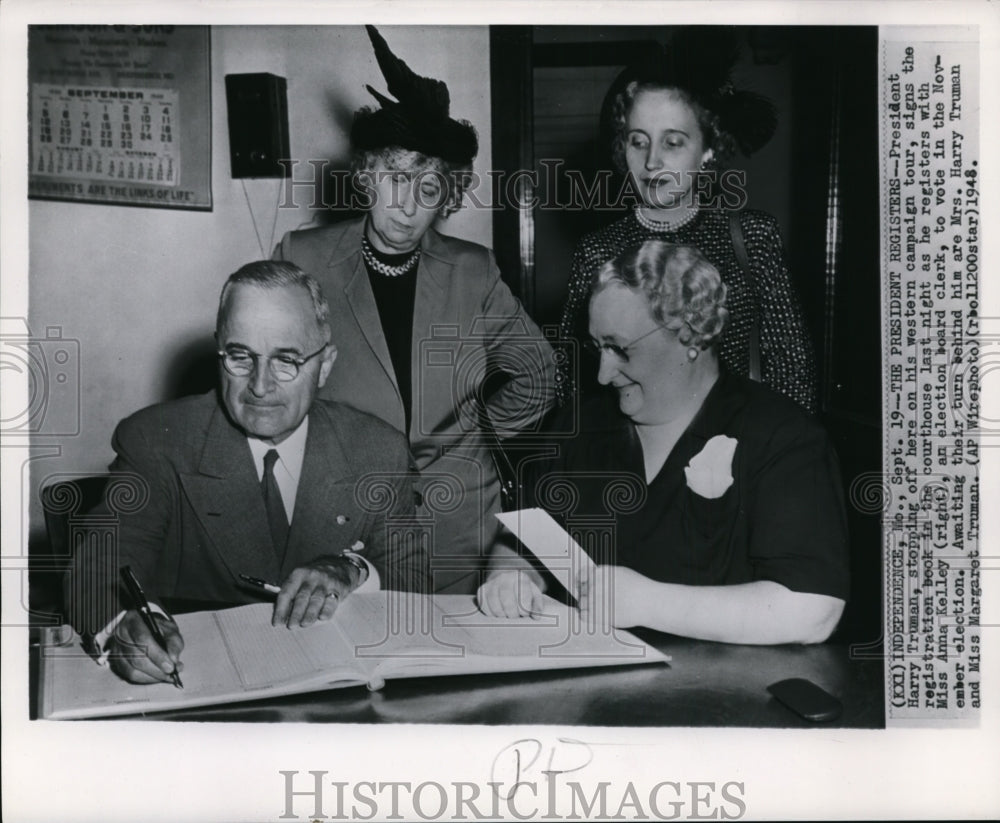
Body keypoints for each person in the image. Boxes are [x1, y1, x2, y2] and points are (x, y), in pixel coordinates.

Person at [275, 26, 556, 594]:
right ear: (367, 175)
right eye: (396, 179)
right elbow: (275, 381)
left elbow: (539, 373)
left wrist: (474, 435)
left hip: (459, 528)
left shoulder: (473, 271)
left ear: (446, 197)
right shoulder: (303, 258)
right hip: (343, 525)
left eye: (429, 189)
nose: (407, 205)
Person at [66, 261, 427, 684]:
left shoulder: (377, 450)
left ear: (325, 366)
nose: (259, 385)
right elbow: (99, 569)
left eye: (286, 360)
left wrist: (350, 569)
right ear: (219, 352)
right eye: (241, 357)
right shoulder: (156, 441)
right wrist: (125, 625)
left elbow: (414, 574)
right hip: (205, 697)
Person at [479, 241, 848, 644]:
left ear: (690, 335)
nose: (603, 374)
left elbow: (814, 610)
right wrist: (510, 577)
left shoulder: (780, 437)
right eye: (598, 347)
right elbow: (524, 538)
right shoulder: (580, 426)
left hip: (725, 698)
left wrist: (648, 602)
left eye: (620, 349)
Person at [557, 27, 818, 413]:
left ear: (708, 151)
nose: (652, 162)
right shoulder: (598, 252)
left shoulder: (751, 237)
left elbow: (793, 374)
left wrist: (766, 458)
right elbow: (571, 382)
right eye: (638, 141)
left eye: (673, 142)